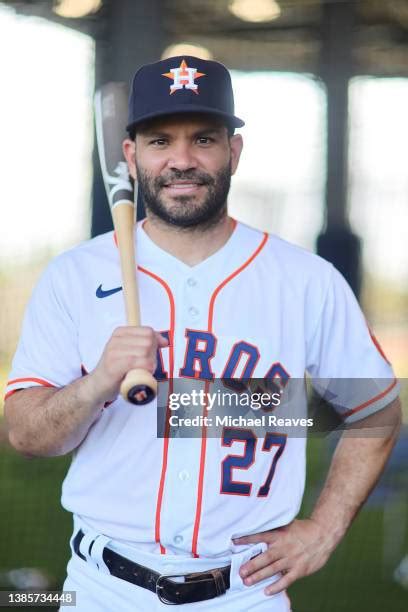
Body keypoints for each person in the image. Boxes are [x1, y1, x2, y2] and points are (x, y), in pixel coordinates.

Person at [4, 56, 401, 611]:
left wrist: (325, 528)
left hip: (244, 594)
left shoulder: (305, 281)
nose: (182, 160)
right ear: (131, 156)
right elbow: (24, 436)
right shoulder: (75, 276)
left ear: (233, 152)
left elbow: (375, 410)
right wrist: (97, 383)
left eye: (204, 139)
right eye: (161, 141)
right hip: (101, 588)